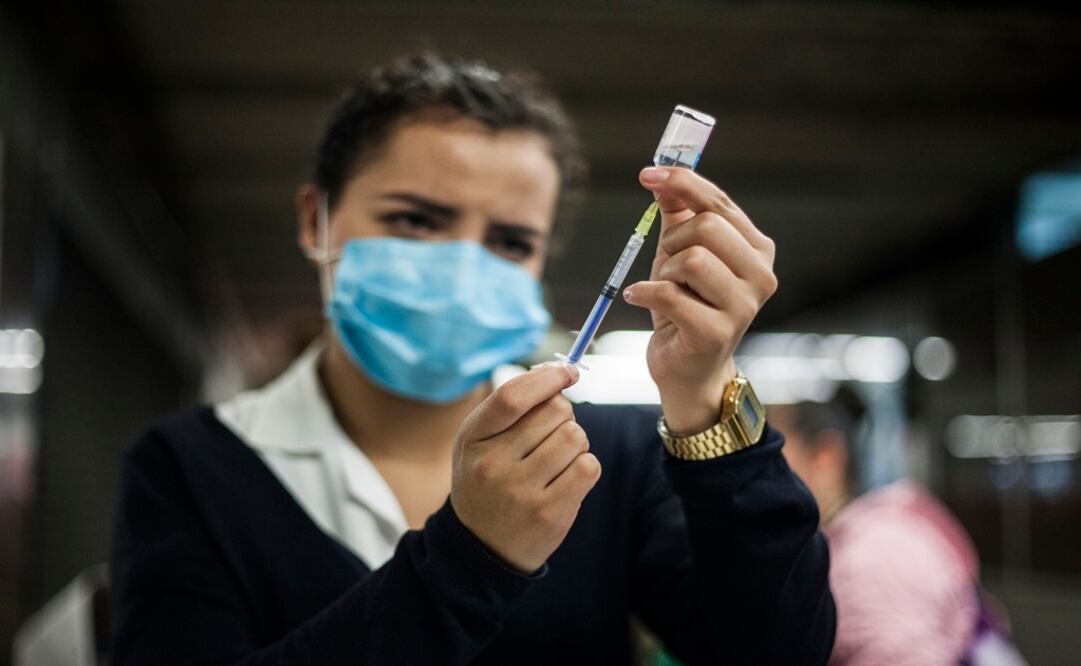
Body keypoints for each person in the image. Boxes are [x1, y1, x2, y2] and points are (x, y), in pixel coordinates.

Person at [110, 53, 835, 665]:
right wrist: (470, 557)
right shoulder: (190, 468)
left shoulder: (608, 457)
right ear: (314, 219)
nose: (461, 267)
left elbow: (777, 651)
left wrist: (705, 394)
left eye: (510, 242)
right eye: (415, 220)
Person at [770, 390, 1017, 666]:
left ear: (825, 457)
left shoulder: (868, 557)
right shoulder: (873, 533)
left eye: (772, 458)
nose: (759, 479)